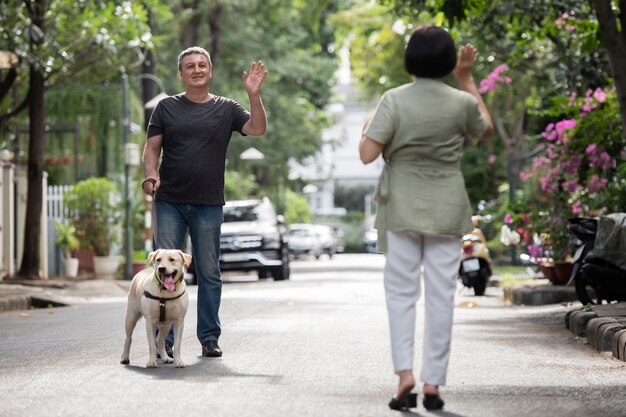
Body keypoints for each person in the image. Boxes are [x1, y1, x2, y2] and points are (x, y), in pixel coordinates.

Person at [359, 25, 493, 411]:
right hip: (447, 206)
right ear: (450, 60)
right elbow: (484, 129)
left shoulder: (394, 99)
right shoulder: (460, 102)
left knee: (401, 294)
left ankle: (405, 377)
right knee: (441, 296)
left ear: (410, 58)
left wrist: (371, 128)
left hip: (400, 206)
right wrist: (467, 78)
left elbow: (368, 154)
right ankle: (433, 384)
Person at [142, 46, 267, 358]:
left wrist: (253, 94)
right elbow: (151, 147)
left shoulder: (227, 109)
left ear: (210, 72)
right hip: (169, 199)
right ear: (181, 74)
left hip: (208, 203)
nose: (196, 70)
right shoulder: (166, 107)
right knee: (164, 273)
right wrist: (149, 174)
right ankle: (164, 342)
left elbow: (257, 128)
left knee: (209, 272)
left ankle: (209, 337)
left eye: (202, 65)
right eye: (190, 66)